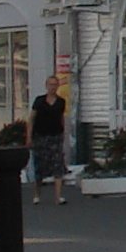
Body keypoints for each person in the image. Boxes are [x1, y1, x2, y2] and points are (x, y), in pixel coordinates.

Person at [30, 74, 72, 204]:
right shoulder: (39, 101)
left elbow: (61, 118)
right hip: (41, 137)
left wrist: (63, 134)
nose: (52, 87)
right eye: (50, 85)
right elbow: (31, 119)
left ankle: (58, 197)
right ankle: (37, 193)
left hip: (55, 137)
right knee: (40, 166)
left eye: (55, 85)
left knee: (58, 164)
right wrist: (29, 136)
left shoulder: (61, 102)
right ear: (46, 86)